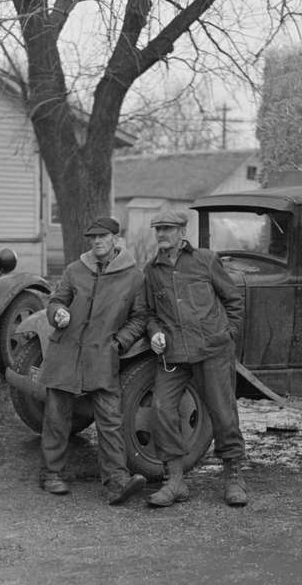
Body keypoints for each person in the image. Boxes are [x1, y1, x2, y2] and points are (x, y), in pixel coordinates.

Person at [39, 216, 147, 505]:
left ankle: (117, 482)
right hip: (66, 350)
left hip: (102, 353)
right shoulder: (76, 270)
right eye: (93, 237)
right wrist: (57, 313)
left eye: (103, 236)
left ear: (116, 239)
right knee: (57, 415)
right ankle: (51, 474)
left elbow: (140, 318)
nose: (97, 241)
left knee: (110, 419)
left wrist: (119, 342)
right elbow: (56, 300)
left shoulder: (134, 277)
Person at [144, 208, 247, 508]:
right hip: (174, 355)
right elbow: (150, 313)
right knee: (162, 408)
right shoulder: (151, 271)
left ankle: (234, 476)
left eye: (167, 229)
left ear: (182, 233)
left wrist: (229, 334)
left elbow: (233, 298)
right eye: (157, 229)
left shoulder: (205, 260)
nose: (161, 234)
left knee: (222, 411)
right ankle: (175, 480)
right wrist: (154, 332)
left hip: (212, 350)